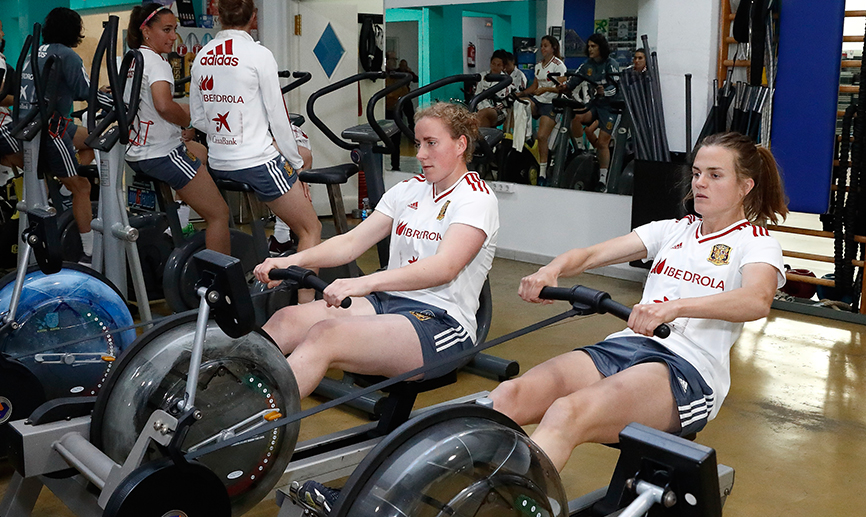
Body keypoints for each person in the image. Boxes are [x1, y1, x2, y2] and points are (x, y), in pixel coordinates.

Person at [488, 132, 788, 472]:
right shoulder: (673, 230)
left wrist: (675, 308)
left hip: (686, 368)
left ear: (745, 186)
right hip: (627, 346)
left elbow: (757, 300)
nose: (700, 183)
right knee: (508, 396)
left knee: (566, 412)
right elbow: (591, 254)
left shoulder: (757, 243)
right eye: (697, 173)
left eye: (715, 175)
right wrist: (551, 270)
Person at [254, 101, 499, 512]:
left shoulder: (477, 199)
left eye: (430, 144)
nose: (420, 154)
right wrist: (289, 261)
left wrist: (362, 282)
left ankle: (248, 439)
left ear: (461, 145)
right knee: (289, 318)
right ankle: (222, 407)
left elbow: (444, 268)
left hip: (441, 323)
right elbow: (350, 242)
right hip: (389, 304)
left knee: (325, 336)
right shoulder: (409, 190)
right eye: (417, 143)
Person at [190, 0, 322, 300]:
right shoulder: (259, 54)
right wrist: (295, 165)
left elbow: (198, 118)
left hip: (220, 162)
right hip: (256, 162)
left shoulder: (203, 55)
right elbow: (278, 117)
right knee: (311, 229)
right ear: (253, 18)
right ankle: (304, 311)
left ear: (218, 16)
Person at [125, 4, 230, 255]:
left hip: (137, 151)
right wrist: (188, 120)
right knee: (218, 214)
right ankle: (221, 282)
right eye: (167, 30)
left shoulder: (132, 59)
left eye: (175, 30)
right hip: (161, 153)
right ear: (146, 31)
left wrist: (185, 112)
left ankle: (179, 221)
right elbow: (163, 105)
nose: (173, 36)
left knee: (202, 154)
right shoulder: (158, 63)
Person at [19, 8, 96, 263]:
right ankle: (89, 252)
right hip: (51, 128)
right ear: (74, 31)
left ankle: (64, 188)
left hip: (30, 125)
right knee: (83, 187)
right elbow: (85, 91)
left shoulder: (34, 53)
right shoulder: (67, 55)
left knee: (92, 140)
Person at [560, 33, 621, 191]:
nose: (590, 49)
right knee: (576, 117)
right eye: (589, 46)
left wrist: (604, 91)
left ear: (601, 47)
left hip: (611, 107)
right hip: (596, 103)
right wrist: (566, 87)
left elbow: (616, 87)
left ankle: (603, 179)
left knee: (602, 143)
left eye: (593, 46)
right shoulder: (587, 65)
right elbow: (574, 79)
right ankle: (580, 150)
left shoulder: (611, 64)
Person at [515, 35, 566, 183]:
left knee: (542, 137)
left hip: (552, 103)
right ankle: (527, 137)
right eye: (542, 46)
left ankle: (543, 172)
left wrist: (545, 90)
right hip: (538, 101)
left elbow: (562, 88)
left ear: (553, 48)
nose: (543, 48)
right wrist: (522, 93)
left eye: (546, 46)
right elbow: (534, 86)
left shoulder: (559, 65)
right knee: (520, 104)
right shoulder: (538, 65)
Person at [385, 57, 418, 171]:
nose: (393, 62)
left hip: (398, 107)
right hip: (386, 109)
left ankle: (395, 165)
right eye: (391, 60)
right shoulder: (385, 76)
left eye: (395, 60)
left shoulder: (404, 74)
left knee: (396, 138)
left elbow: (415, 79)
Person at [476, 49, 521, 128]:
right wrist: (481, 108)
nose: (495, 67)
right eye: (493, 64)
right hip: (481, 109)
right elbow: (477, 94)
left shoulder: (507, 80)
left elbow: (505, 101)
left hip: (499, 112)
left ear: (503, 67)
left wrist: (490, 108)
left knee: (484, 114)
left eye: (498, 65)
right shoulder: (482, 76)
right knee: (480, 117)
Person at [0, 18, 22, 170]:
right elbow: (1, 98)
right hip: (2, 125)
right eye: (0, 29)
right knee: (31, 168)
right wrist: (24, 100)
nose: (3, 33)